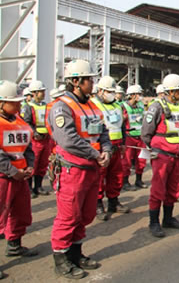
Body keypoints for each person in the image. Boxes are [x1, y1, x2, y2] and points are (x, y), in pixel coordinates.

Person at [48, 60, 111, 279]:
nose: (92, 84)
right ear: (76, 81)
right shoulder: (62, 106)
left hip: (91, 169)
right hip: (72, 170)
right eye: (89, 80)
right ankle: (61, 258)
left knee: (85, 214)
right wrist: (96, 154)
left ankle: (76, 253)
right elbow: (68, 140)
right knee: (69, 216)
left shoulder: (91, 105)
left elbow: (102, 131)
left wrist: (107, 150)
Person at [141, 74, 179, 237]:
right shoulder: (157, 106)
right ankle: (154, 222)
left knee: (174, 188)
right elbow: (146, 132)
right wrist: (151, 150)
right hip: (162, 154)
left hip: (177, 154)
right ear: (172, 91)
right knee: (158, 188)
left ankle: (168, 218)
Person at [0, 80, 39, 279]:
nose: (18, 105)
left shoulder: (20, 122)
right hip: (3, 178)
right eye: (13, 102)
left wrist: (29, 166)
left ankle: (14, 245)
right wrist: (11, 171)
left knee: (20, 212)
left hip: (20, 176)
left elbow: (28, 149)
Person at [92, 76, 130, 221]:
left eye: (112, 92)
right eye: (108, 91)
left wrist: (123, 143)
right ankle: (98, 204)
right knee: (100, 176)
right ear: (100, 91)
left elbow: (121, 126)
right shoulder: (94, 105)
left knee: (116, 175)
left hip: (117, 145)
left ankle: (114, 201)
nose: (111, 94)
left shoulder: (117, 106)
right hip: (102, 147)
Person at [21, 80, 52, 198]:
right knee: (33, 163)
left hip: (46, 139)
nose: (43, 94)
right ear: (34, 93)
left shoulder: (46, 106)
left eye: (43, 91)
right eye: (40, 92)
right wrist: (34, 133)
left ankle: (38, 186)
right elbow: (26, 122)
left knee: (43, 164)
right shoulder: (28, 107)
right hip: (35, 140)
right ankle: (28, 188)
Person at [121, 84, 147, 190]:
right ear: (132, 95)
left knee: (141, 159)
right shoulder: (123, 106)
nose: (140, 96)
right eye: (138, 94)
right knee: (126, 160)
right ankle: (126, 182)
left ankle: (139, 180)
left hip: (140, 136)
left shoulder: (141, 105)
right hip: (129, 136)